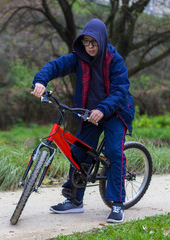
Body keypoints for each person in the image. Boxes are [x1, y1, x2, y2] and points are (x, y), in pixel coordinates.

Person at [31, 18, 134, 223]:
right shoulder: (78, 58)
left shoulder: (115, 60)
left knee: (113, 152)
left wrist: (102, 109)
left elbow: (120, 91)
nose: (89, 46)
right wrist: (40, 81)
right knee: (78, 152)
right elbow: (55, 66)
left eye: (93, 42)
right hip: (90, 114)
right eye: (86, 42)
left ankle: (117, 204)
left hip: (116, 112)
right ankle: (75, 201)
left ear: (102, 40)